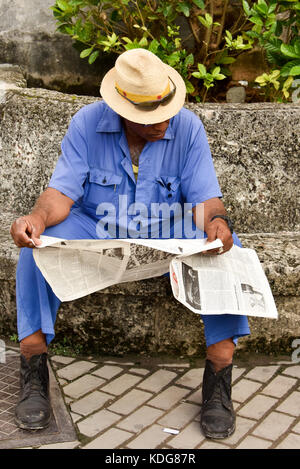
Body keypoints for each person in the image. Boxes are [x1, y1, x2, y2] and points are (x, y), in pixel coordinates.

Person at [10, 49, 250, 439]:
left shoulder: (187, 128)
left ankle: (219, 379)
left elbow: (205, 200)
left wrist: (218, 223)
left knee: (224, 246)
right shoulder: (87, 124)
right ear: (123, 110)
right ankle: (34, 367)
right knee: (37, 247)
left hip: (168, 226)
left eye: (166, 111)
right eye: (150, 119)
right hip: (95, 224)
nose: (163, 122)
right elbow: (61, 193)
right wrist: (35, 219)